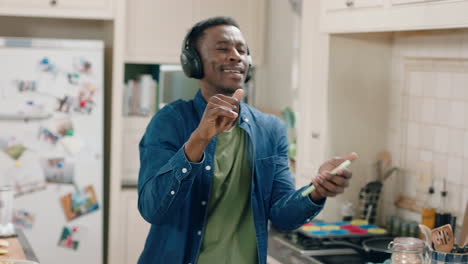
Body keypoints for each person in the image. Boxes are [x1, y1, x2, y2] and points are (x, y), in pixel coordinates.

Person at [137, 16, 358, 264]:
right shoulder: (170, 121)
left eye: (241, 50)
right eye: (222, 48)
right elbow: (153, 209)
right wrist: (198, 140)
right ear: (194, 62)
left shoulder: (270, 128)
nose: (235, 56)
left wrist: (315, 192)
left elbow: (282, 215)